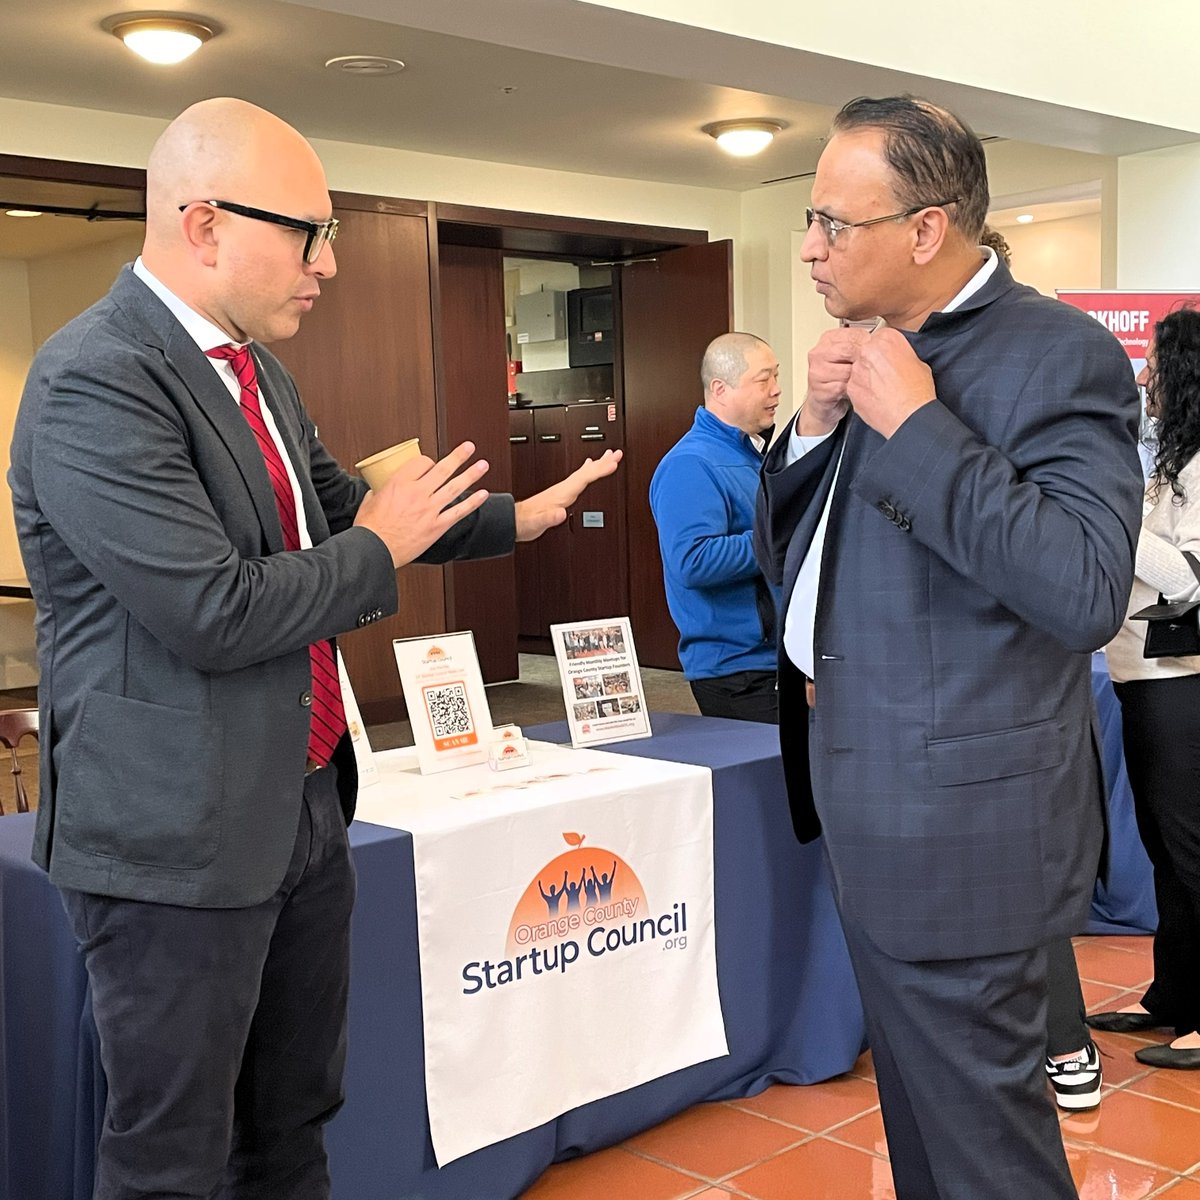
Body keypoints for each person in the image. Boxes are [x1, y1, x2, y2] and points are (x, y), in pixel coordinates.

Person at [7, 97, 619, 1199]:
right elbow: (214, 609)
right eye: (310, 232)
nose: (327, 265)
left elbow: (344, 509)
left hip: (300, 803)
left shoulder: (255, 371)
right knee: (171, 1156)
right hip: (171, 840)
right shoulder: (94, 377)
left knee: (292, 1122)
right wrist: (383, 542)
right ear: (204, 226)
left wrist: (513, 520)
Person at [755, 95, 1143, 1198]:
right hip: (871, 811)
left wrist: (921, 429)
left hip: (966, 836)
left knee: (989, 1160)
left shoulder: (1056, 354)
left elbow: (1081, 589)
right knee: (926, 1140)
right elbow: (810, 574)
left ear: (925, 230)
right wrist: (816, 435)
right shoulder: (873, 352)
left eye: (835, 222)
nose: (812, 247)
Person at [981, 222, 1104, 1110]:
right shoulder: (864, 383)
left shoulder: (1060, 369)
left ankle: (1067, 1048)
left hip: (1018, 724)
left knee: (1025, 916)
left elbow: (1081, 588)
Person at [1088, 307, 1200, 1070]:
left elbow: (1188, 581)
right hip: (1141, 677)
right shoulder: (1172, 463)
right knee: (1164, 848)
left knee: (1191, 851)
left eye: (1158, 367)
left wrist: (1113, 511)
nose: (1146, 379)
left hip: (1181, 686)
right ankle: (1173, 997)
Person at [649, 332, 781, 722]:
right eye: (764, 380)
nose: (776, 391)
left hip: (772, 663)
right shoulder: (691, 464)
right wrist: (779, 536)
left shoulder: (749, 455)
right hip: (737, 671)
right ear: (720, 389)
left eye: (777, 377)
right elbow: (693, 562)